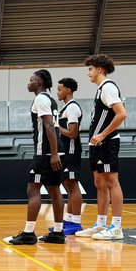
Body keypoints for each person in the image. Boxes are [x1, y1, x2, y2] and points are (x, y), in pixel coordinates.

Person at [7, 69, 65, 246]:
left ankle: (29, 233)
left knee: (33, 190)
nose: (28, 82)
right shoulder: (51, 100)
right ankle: (58, 232)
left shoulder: (40, 99)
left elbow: (48, 126)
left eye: (31, 80)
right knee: (55, 190)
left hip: (45, 153)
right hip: (54, 152)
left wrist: (53, 154)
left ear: (39, 83)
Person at [77, 54, 128, 241]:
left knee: (111, 181)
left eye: (90, 69)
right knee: (99, 183)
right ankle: (100, 224)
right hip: (97, 144)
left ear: (100, 69)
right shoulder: (100, 89)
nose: (88, 73)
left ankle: (116, 226)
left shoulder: (108, 87)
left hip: (107, 142)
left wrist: (103, 135)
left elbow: (122, 114)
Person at [56, 77, 85, 236]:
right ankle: (69, 220)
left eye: (60, 89)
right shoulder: (66, 108)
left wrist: (56, 127)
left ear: (68, 90)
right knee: (68, 186)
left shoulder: (72, 108)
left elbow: (73, 134)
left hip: (71, 151)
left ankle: (76, 222)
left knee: (73, 186)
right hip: (65, 152)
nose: (58, 92)